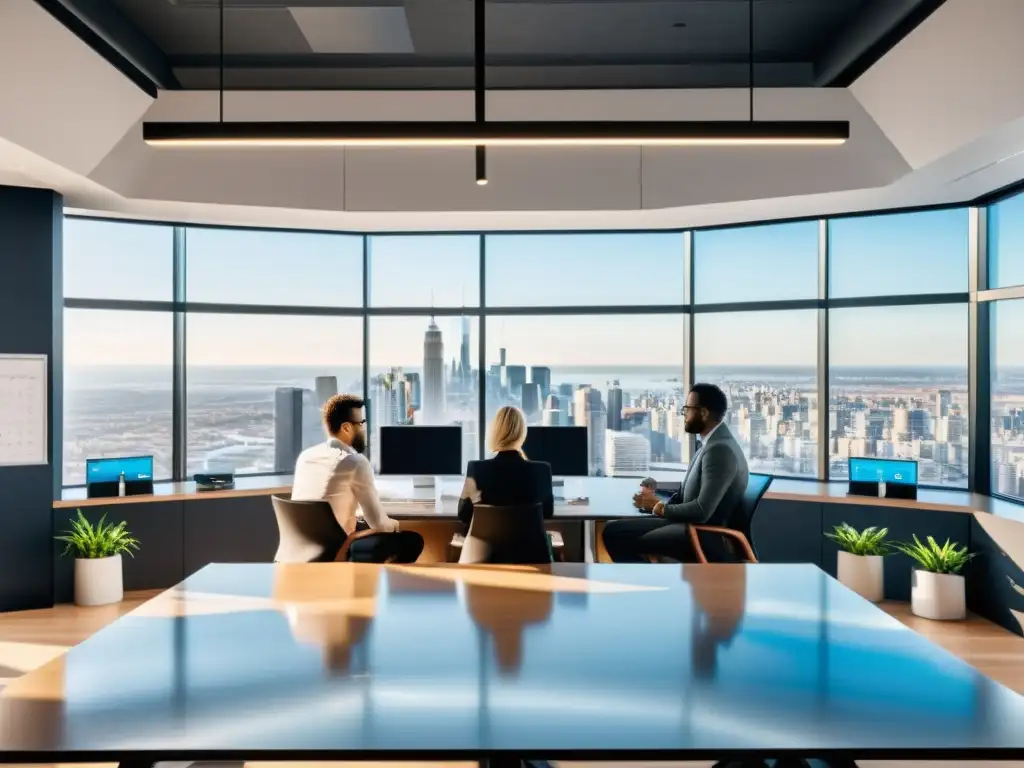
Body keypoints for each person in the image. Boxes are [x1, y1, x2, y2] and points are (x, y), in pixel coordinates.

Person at [602, 383, 749, 563]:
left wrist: (658, 507)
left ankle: (644, 584)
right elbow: (687, 494)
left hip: (701, 534)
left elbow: (701, 511)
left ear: (703, 413)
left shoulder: (720, 449)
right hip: (688, 526)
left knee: (616, 536)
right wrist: (654, 502)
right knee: (612, 529)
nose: (684, 415)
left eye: (687, 409)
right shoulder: (710, 443)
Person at [291, 393, 424, 563]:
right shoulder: (354, 462)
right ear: (346, 428)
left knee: (365, 529)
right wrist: (395, 525)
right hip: (337, 548)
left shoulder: (306, 456)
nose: (364, 428)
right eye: (361, 423)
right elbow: (380, 525)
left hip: (302, 547)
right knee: (412, 540)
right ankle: (370, 584)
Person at [458, 406, 554, 532]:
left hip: (485, 550)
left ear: (495, 432)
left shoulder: (476, 469)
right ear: (522, 433)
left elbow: (464, 514)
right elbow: (547, 512)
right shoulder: (542, 470)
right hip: (530, 549)